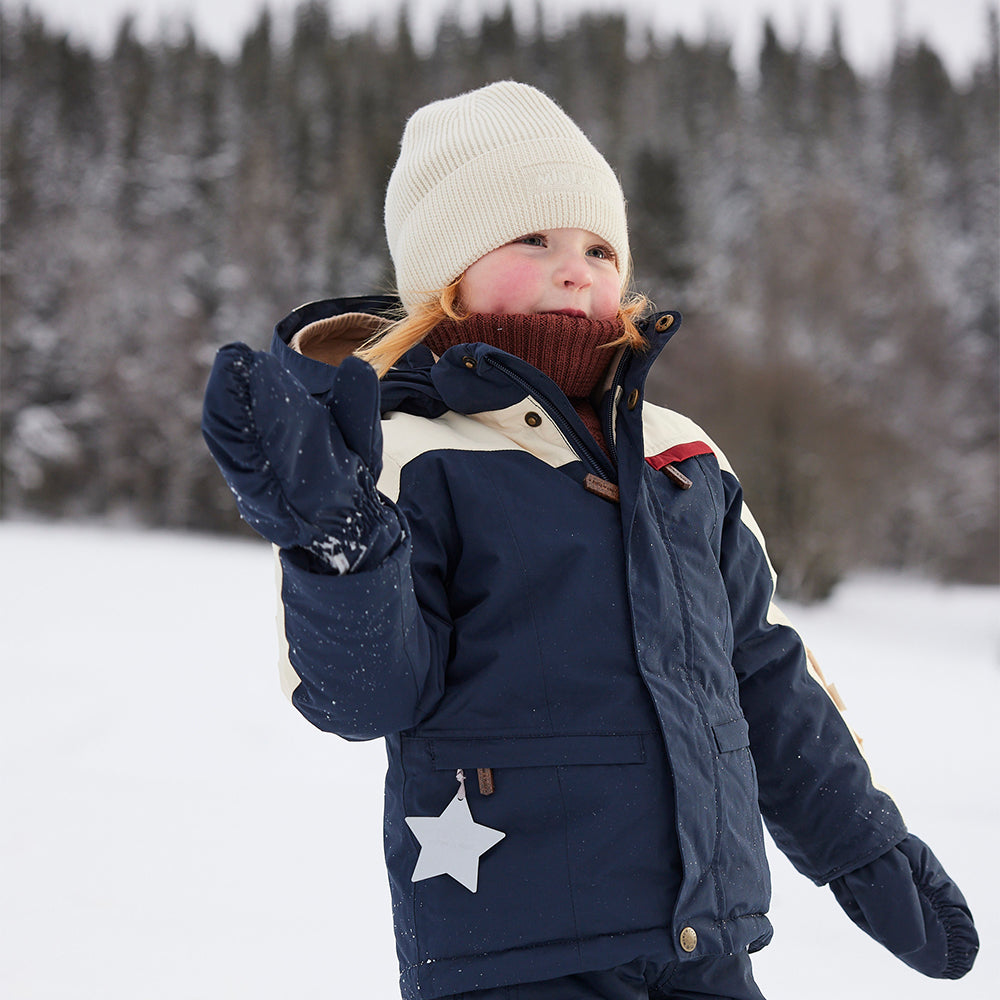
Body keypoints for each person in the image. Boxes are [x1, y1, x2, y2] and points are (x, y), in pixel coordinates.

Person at [201, 81, 978, 1000]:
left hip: (707, 944)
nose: (576, 269)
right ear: (448, 271)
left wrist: (864, 845)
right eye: (533, 239)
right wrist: (340, 548)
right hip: (517, 951)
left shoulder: (683, 457)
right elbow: (365, 697)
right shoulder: (408, 455)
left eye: (599, 248)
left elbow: (765, 674)